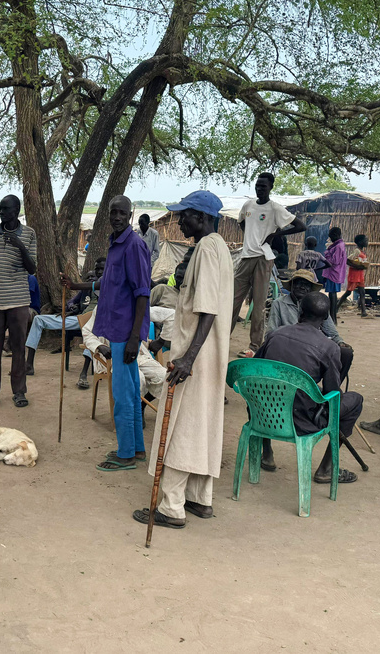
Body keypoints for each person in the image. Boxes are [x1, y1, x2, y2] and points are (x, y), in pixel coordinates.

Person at [131, 191, 233, 527]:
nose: (179, 222)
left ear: (202, 218)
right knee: (201, 424)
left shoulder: (206, 249)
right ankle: (199, 499)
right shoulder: (217, 247)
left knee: (179, 428)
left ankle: (171, 507)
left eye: (184, 216)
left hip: (195, 357)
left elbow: (206, 310)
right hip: (208, 355)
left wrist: (188, 357)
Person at [64, 195, 150, 465]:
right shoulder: (115, 244)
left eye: (121, 213)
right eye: (113, 213)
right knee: (131, 390)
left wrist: (136, 337)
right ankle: (135, 448)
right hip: (117, 329)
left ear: (130, 215)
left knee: (122, 393)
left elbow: (142, 294)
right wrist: (75, 286)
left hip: (126, 332)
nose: (116, 217)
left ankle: (125, 454)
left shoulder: (134, 245)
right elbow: (107, 282)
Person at [254, 292, 365, 484]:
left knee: (267, 388)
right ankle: (326, 469)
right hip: (301, 421)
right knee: (354, 400)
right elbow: (333, 397)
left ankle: (267, 454)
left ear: (300, 311)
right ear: (324, 318)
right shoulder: (328, 347)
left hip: (264, 414)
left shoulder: (274, 335)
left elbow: (255, 371)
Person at [231, 172, 306, 357]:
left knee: (258, 305)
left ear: (271, 187)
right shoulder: (248, 205)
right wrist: (249, 236)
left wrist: (275, 234)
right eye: (257, 185)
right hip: (245, 257)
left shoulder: (275, 209)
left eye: (263, 186)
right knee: (232, 301)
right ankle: (222, 339)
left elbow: (300, 226)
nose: (259, 189)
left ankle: (254, 346)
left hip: (263, 259)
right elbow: (241, 221)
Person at [0, 195, 37, 408]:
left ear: (17, 210)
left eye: (5, 209)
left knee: (18, 348)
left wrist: (19, 245)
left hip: (19, 300)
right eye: (0, 209)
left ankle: (19, 392)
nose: (1, 213)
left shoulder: (29, 234)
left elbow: (32, 269)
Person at [265, 269, 353, 380]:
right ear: (292, 285)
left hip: (312, 348)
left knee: (346, 353)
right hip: (287, 348)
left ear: (311, 290)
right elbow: (270, 333)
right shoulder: (279, 303)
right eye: (298, 283)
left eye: (306, 285)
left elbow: (332, 333)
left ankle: (329, 391)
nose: (301, 287)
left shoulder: (317, 304)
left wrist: (340, 342)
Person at [25, 257, 105, 376]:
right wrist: (71, 309)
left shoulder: (108, 284)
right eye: (96, 269)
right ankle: (29, 364)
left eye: (101, 269)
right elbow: (72, 301)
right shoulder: (87, 289)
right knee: (38, 320)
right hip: (79, 319)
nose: (98, 273)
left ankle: (83, 374)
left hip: (95, 322)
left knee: (93, 332)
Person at [322, 227, 348, 323]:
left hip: (334, 273)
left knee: (332, 295)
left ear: (335, 236)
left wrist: (327, 254)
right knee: (332, 294)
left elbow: (334, 261)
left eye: (331, 237)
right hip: (336, 273)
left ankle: (333, 319)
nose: (330, 239)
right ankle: (333, 318)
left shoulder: (338, 247)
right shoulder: (340, 245)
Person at [346, 234, 369, 317]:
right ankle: (336, 308)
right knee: (348, 292)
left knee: (362, 292)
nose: (367, 242)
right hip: (355, 275)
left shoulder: (361, 251)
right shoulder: (357, 251)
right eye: (365, 240)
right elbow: (347, 260)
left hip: (360, 275)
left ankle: (364, 312)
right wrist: (357, 267)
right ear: (360, 242)